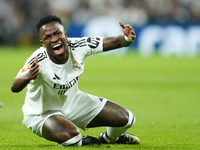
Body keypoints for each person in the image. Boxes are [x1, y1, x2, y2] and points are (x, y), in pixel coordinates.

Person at [11, 15, 139, 147]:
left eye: (57, 33)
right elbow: (14, 86)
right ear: (42, 43)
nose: (54, 39)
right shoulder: (38, 60)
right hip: (42, 113)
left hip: (73, 103)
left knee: (127, 119)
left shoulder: (78, 46)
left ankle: (108, 139)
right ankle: (77, 139)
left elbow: (116, 42)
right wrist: (27, 76)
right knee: (73, 139)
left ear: (65, 35)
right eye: (48, 37)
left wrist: (126, 38)